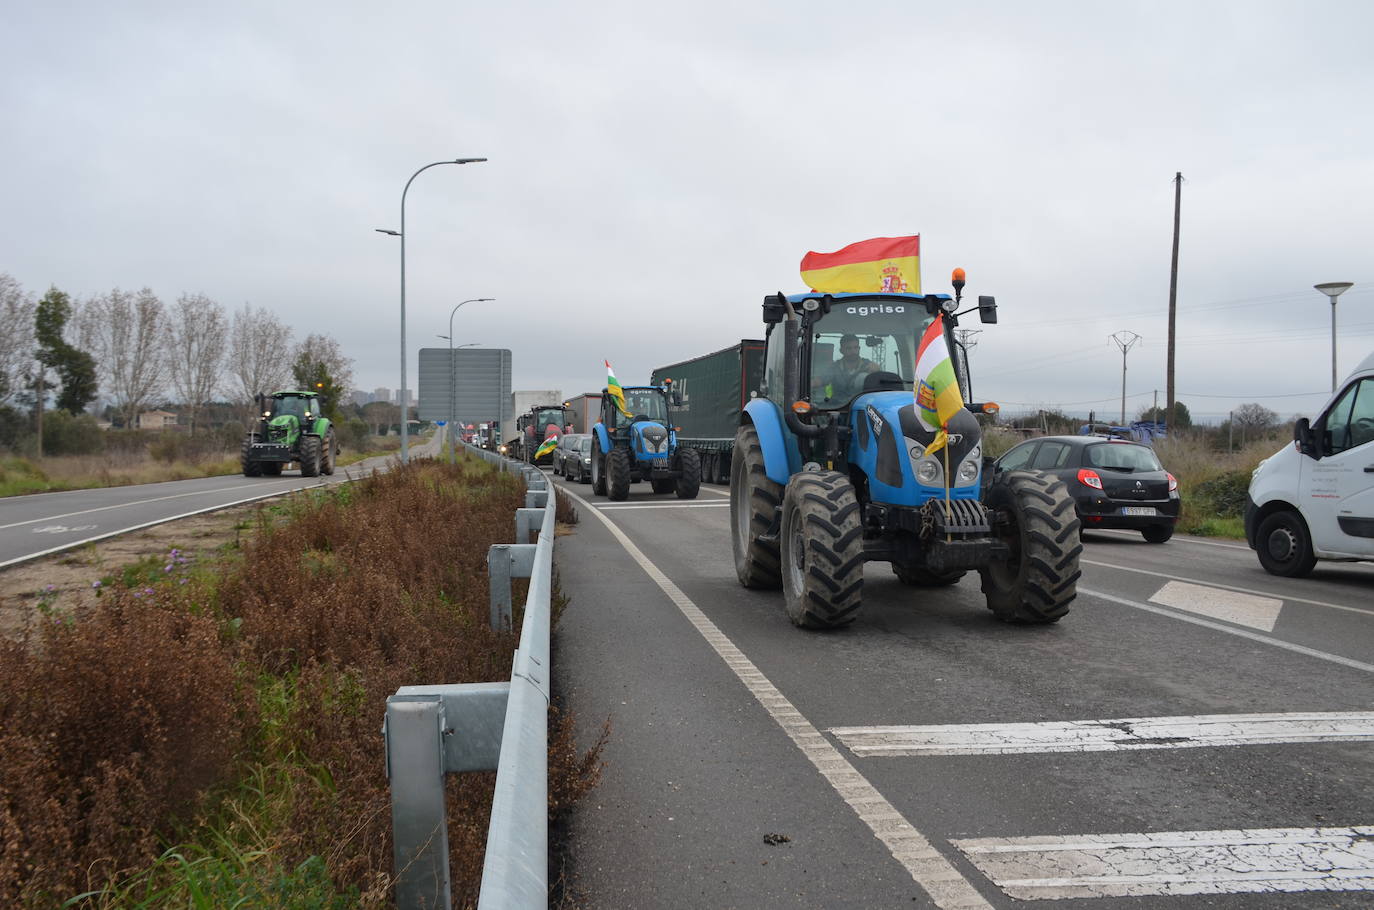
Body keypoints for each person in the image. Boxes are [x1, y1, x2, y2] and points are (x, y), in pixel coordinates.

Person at [813, 333, 879, 401]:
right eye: (849, 348)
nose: (853, 351)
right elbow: (821, 380)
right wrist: (812, 383)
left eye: (855, 347)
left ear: (859, 349)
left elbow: (880, 380)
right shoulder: (834, 367)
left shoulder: (868, 365)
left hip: (860, 405)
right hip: (838, 407)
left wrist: (877, 371)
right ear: (841, 350)